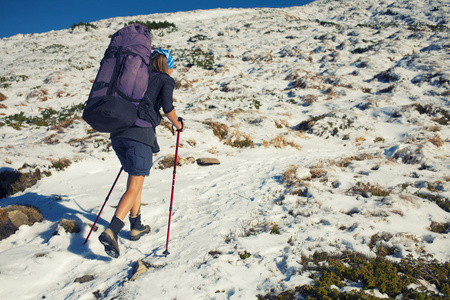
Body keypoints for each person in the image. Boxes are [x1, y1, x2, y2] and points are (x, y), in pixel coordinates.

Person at [99, 49, 184, 258]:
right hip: (140, 134)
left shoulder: (138, 78)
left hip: (118, 133)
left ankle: (136, 225)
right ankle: (112, 230)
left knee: (134, 183)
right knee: (135, 185)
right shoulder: (165, 79)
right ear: (168, 65)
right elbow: (167, 106)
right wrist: (178, 124)